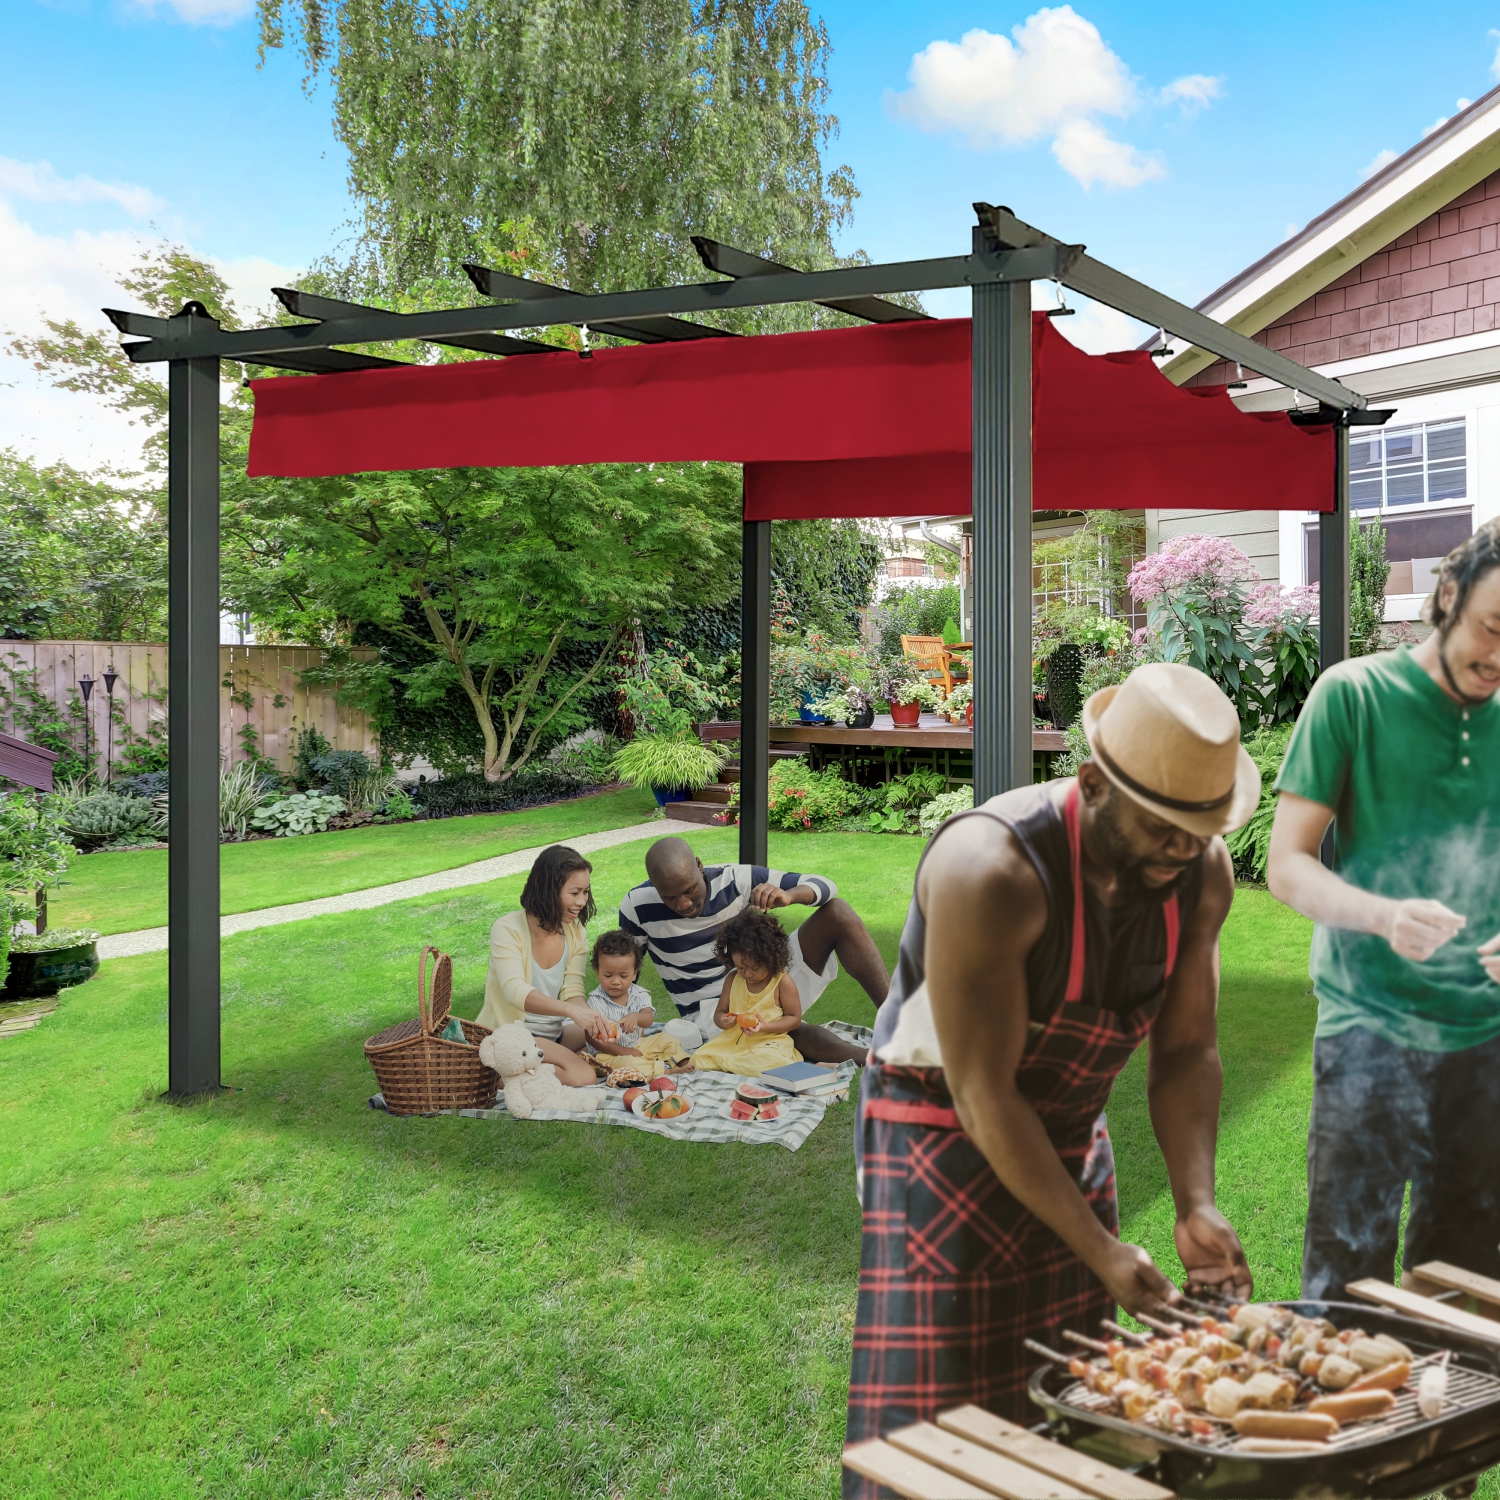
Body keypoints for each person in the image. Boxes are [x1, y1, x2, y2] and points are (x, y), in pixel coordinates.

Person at [844, 662, 1257, 1490]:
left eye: (1201, 827)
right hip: (939, 1136)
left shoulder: (1199, 874)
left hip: (1065, 1136)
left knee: (1072, 1400)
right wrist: (1103, 1248)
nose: (1183, 848)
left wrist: (1196, 1200)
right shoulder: (991, 869)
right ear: (1094, 782)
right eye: (1163, 825)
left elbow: (1184, 1051)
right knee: (936, 1429)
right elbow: (983, 1093)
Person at [1267, 520, 1500, 1297]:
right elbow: (1288, 864)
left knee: (1469, 1285)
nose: (1498, 659)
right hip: (1368, 1027)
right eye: (1490, 629)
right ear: (1447, 596)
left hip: (1486, 1038)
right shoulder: (1352, 695)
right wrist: (1381, 916)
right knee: (1346, 1276)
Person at [618, 837, 888, 1064]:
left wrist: (789, 896)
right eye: (670, 897)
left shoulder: (734, 879)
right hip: (715, 1012)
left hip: (764, 976)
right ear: (654, 885)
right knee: (782, 1036)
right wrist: (620, 1025)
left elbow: (826, 885)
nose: (684, 903)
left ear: (699, 866)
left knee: (838, 912)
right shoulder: (636, 906)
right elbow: (625, 974)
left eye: (690, 889)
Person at [475, 844, 604, 1087]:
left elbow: (572, 991)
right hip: (512, 1036)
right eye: (574, 893)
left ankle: (532, 1068)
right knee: (584, 1076)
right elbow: (516, 993)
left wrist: (588, 1016)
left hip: (552, 1036)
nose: (582, 901)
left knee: (604, 1033)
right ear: (549, 890)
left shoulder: (575, 931)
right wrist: (570, 1012)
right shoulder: (508, 929)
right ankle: (498, 1074)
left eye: (585, 892)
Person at [690, 908, 804, 1076]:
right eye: (741, 967)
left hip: (768, 1043)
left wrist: (766, 1026)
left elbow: (794, 1018)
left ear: (771, 959)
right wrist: (723, 1020)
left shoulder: (781, 982)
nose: (747, 974)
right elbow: (719, 1012)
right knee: (697, 1058)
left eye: (754, 968)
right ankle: (736, 1064)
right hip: (732, 1043)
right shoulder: (733, 979)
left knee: (770, 1061)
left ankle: (735, 1065)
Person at [583, 929, 689, 1071]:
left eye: (623, 976)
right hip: (607, 1055)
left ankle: (683, 1062)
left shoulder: (639, 994)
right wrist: (623, 1051)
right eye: (608, 975)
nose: (615, 981)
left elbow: (648, 1019)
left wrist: (635, 1017)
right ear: (597, 973)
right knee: (630, 1064)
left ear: (634, 974)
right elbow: (591, 1038)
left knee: (665, 1039)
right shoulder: (595, 1002)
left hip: (637, 1045)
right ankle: (665, 1071)